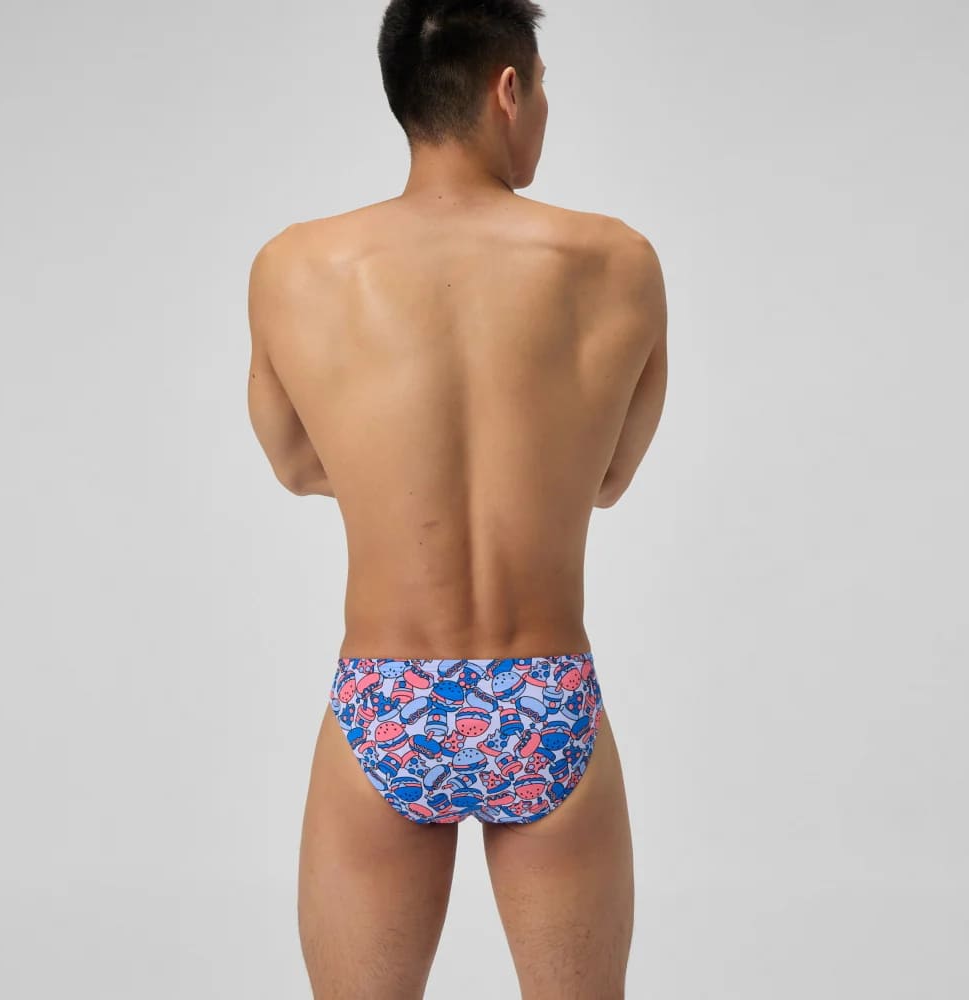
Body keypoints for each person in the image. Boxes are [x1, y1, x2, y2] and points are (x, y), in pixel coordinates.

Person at [246, 2, 667, 996]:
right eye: (543, 87)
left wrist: (388, 472)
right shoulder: (617, 263)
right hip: (547, 697)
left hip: (385, 697)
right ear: (508, 90)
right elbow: (608, 479)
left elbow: (295, 464)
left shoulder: (295, 266)